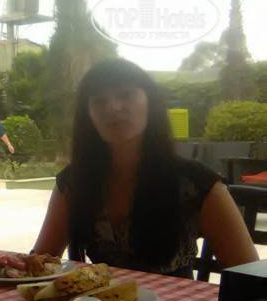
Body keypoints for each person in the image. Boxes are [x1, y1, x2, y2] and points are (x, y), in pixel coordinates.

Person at [32, 58, 258, 278]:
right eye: (99, 101)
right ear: (88, 116)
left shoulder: (197, 185)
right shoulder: (74, 182)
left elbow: (251, 278)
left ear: (151, 104)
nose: (113, 107)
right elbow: (39, 262)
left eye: (126, 94)